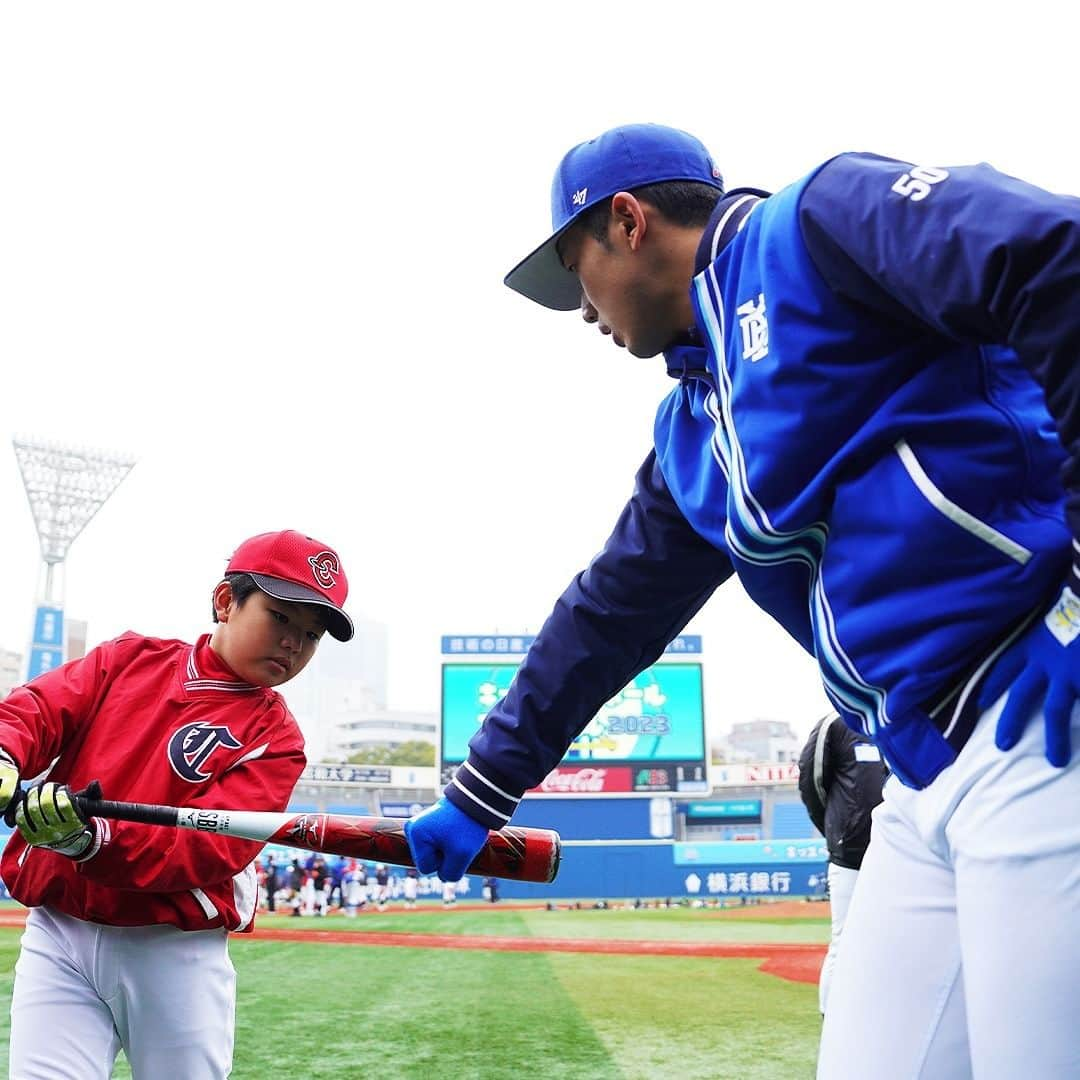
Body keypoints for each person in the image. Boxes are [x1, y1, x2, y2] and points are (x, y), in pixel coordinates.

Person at [405, 123, 1080, 1078]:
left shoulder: (816, 225)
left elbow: (1059, 257)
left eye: (574, 270)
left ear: (627, 224)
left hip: (1042, 717)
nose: (581, 310)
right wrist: (483, 790)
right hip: (918, 768)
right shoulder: (691, 428)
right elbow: (608, 617)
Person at [0, 529, 354, 1079]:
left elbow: (209, 850)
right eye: (281, 617)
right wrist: (4, 752)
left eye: (311, 635)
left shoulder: (276, 737)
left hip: (172, 947)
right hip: (59, 930)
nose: (294, 644)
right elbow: (38, 710)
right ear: (224, 601)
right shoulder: (128, 660)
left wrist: (90, 840)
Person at [797, 713, 888, 1016]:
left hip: (894, 853)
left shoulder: (895, 717)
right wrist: (836, 831)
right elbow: (811, 783)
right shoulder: (834, 725)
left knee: (892, 942)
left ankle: (877, 1019)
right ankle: (831, 1019)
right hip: (849, 855)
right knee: (844, 940)